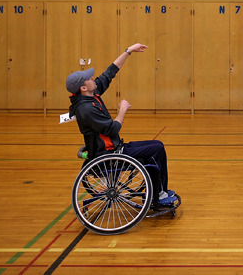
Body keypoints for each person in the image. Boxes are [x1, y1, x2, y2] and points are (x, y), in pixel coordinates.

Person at [66, 43, 177, 206]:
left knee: (157, 145)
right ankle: (157, 196)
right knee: (156, 150)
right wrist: (122, 110)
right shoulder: (86, 108)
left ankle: (159, 191)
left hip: (115, 148)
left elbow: (109, 73)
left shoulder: (91, 95)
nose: (93, 78)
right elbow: (112, 129)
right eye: (89, 78)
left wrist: (128, 51)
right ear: (83, 88)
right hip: (108, 155)